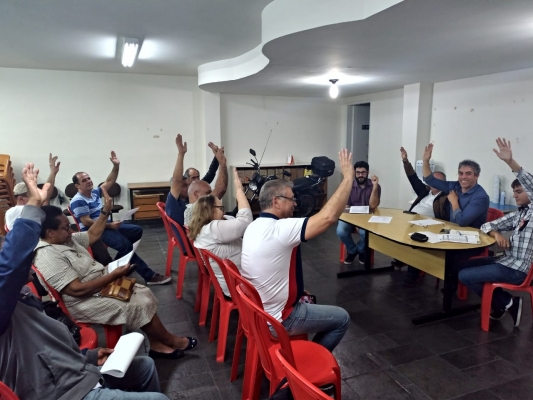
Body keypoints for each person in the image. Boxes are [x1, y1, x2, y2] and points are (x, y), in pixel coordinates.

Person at [0, 162, 169, 399]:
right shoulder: (41, 258)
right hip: (63, 390)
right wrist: (34, 205)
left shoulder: (25, 297)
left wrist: (86, 357)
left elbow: (44, 348)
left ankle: (162, 343)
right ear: (50, 233)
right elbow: (13, 267)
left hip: (75, 368)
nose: (29, 263)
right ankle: (167, 342)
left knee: (145, 365)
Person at [33, 189, 197, 359]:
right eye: (66, 228)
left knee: (144, 293)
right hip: (82, 302)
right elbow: (76, 290)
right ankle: (171, 340)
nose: (70, 230)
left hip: (99, 287)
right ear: (50, 232)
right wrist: (113, 275)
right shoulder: (47, 255)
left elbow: (92, 234)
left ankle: (156, 344)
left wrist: (105, 212)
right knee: (137, 304)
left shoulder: (65, 240)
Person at [241, 149, 354, 352]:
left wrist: (295, 290)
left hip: (259, 312)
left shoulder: (253, 226)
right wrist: (347, 179)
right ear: (276, 201)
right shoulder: (280, 228)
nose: (295, 203)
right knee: (342, 318)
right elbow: (328, 217)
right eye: (291, 199)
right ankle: (311, 360)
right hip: (279, 319)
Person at [458, 138, 533, 327]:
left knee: (465, 276)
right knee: (461, 267)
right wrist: (496, 234)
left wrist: (510, 162)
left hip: (519, 270)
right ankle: (506, 302)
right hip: (506, 261)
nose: (514, 195)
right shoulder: (519, 214)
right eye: (514, 192)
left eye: (519, 191)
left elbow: (530, 183)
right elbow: (486, 226)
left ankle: (504, 302)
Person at [70, 151, 170, 285]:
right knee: (125, 245)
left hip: (105, 225)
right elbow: (86, 222)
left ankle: (117, 266)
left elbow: (109, 181)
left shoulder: (94, 193)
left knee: (136, 231)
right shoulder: (78, 200)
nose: (89, 181)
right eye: (84, 180)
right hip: (94, 232)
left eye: (88, 178)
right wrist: (109, 225)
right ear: (77, 186)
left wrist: (116, 166)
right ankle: (149, 276)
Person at [188, 168, 252, 297]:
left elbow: (233, 221)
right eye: (221, 208)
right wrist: (239, 191)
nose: (224, 212)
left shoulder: (203, 227)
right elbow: (245, 221)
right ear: (210, 210)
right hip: (239, 289)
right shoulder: (212, 229)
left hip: (233, 282)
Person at [400, 147, 449, 286]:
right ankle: (400, 257)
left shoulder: (446, 198)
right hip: (411, 220)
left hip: (428, 227)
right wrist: (405, 161)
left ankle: (413, 274)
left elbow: (446, 218)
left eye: (437, 181)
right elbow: (413, 177)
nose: (434, 183)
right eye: (432, 179)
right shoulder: (425, 191)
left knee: (415, 242)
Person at [422, 143, 489, 229]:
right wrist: (426, 161)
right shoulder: (456, 186)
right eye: (461, 173)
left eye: (468, 174)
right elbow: (430, 180)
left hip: (471, 235)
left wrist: (454, 202)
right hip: (452, 231)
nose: (463, 177)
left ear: (476, 176)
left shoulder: (481, 197)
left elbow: (462, 221)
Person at [336, 160, 380, 264]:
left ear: (367, 172)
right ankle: (352, 250)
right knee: (340, 231)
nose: (360, 175)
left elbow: (373, 206)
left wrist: (375, 187)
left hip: (367, 218)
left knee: (365, 233)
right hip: (350, 217)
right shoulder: (349, 186)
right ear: (354, 173)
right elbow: (346, 207)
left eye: (363, 172)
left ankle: (361, 250)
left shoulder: (375, 186)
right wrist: (356, 222)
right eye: (358, 172)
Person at [5, 153, 60, 230]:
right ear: (21, 199)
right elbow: (45, 200)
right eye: (32, 195)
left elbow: (45, 197)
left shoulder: (30, 209)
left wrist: (53, 173)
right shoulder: (16, 210)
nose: (37, 197)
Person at [183, 147, 228, 226]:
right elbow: (220, 189)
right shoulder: (192, 206)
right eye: (193, 178)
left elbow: (211, 173)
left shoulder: (200, 185)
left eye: (198, 177)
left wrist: (216, 157)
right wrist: (222, 163)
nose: (196, 180)